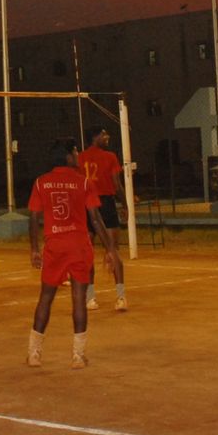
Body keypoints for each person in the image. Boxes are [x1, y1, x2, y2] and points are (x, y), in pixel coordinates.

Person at [26, 138, 110, 369]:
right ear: (67, 157)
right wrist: (109, 248)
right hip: (79, 246)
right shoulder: (83, 183)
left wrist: (34, 249)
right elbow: (95, 218)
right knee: (78, 299)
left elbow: (33, 217)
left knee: (46, 298)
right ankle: (77, 356)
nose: (78, 156)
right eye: (75, 152)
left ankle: (34, 354)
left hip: (55, 246)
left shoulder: (41, 182)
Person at [78, 126, 127, 312]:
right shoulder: (110, 157)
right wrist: (125, 204)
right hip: (105, 204)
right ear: (95, 136)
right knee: (113, 250)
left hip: (86, 205)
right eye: (104, 134)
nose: (107, 137)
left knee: (87, 253)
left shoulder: (80, 157)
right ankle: (121, 296)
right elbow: (116, 184)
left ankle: (90, 298)